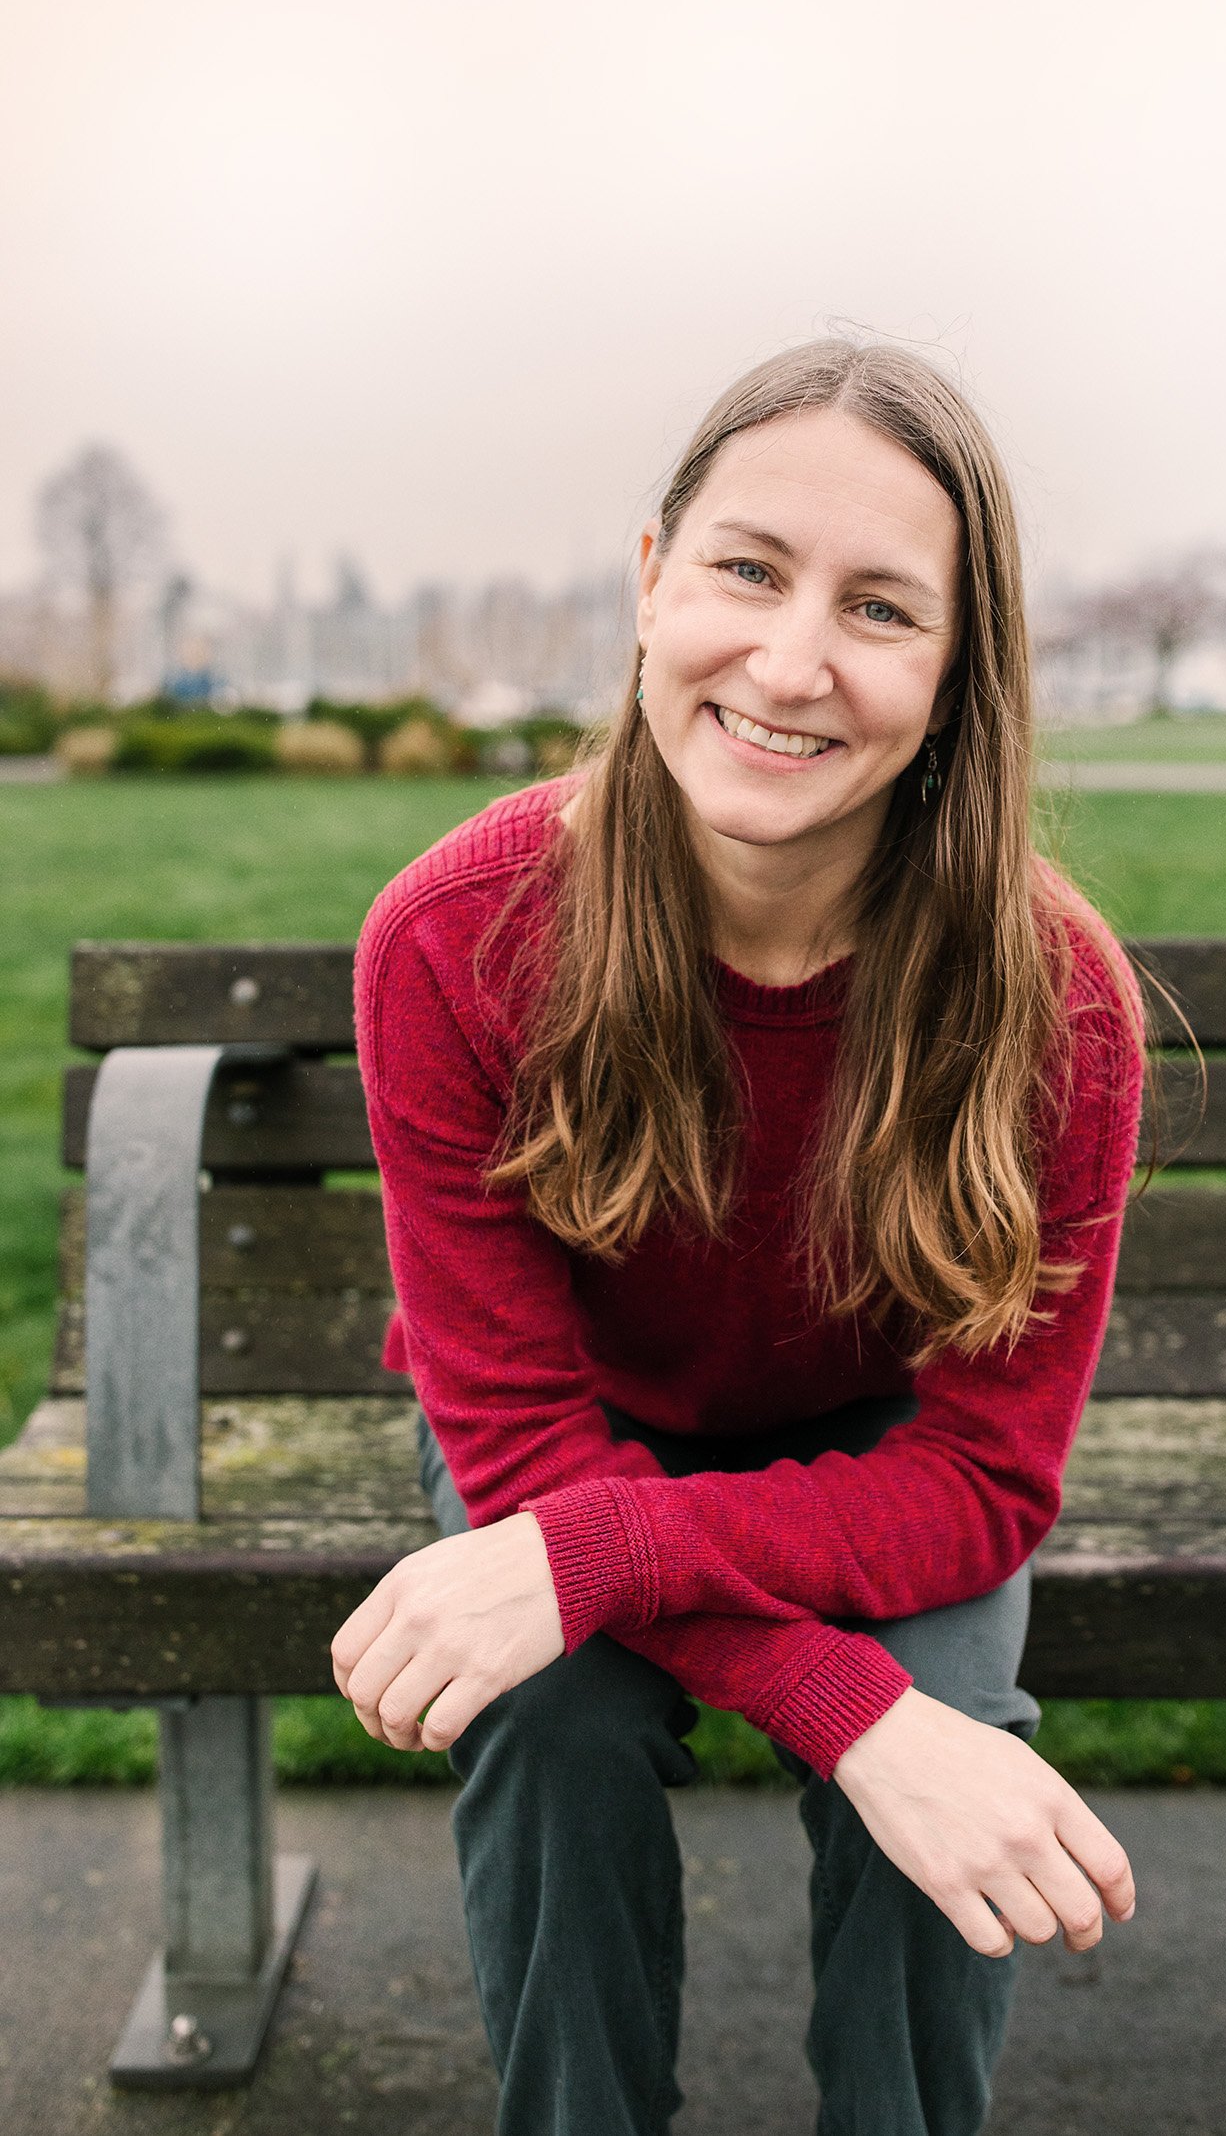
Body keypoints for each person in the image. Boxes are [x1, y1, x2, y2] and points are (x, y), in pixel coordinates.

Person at [332, 336, 1145, 2136]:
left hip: (882, 1456)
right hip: (563, 1430)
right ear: (650, 581)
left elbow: (981, 1477)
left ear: (960, 671)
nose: (789, 664)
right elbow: (521, 1440)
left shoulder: (1056, 1003)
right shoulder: (455, 941)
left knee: (955, 1732)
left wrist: (884, 1707)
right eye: (748, 570)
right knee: (554, 1716)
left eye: (881, 608)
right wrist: (847, 1711)